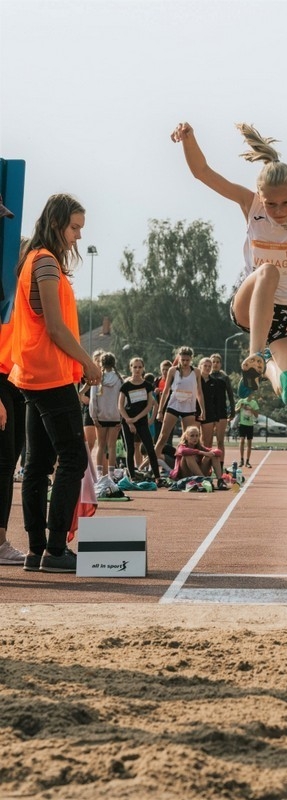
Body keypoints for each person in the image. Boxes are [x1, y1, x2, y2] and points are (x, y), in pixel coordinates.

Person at [171, 121, 287, 407]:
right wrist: (188, 139)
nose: (279, 211)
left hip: (286, 315)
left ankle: (264, 366)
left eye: (285, 203)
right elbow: (203, 173)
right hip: (250, 305)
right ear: (261, 197)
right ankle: (256, 352)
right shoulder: (250, 204)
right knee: (268, 271)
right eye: (271, 204)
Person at [9, 193, 101, 573]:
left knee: (38, 462)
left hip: (32, 373)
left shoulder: (35, 260)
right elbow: (56, 328)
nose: (78, 236)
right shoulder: (45, 262)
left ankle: (36, 551)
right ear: (56, 223)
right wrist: (88, 363)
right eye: (74, 227)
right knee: (73, 458)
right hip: (49, 373)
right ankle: (54, 550)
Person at [0, 315, 26, 565]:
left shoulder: (24, 284)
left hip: (19, 378)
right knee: (4, 462)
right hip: (1, 378)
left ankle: (1, 541)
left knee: (9, 464)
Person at [154, 346, 204, 461]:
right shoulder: (173, 370)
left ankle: (182, 466)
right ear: (179, 359)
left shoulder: (196, 372)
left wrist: (202, 410)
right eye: (183, 360)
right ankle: (152, 464)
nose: (185, 362)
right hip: (173, 406)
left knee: (188, 440)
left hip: (189, 408)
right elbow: (166, 392)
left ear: (191, 359)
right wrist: (160, 411)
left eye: (187, 360)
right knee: (163, 437)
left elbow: (199, 392)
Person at [118, 357, 162, 483]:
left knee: (150, 448)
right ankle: (132, 477)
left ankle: (158, 477)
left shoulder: (147, 386)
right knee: (130, 449)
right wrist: (129, 420)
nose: (137, 369)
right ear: (130, 368)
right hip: (127, 420)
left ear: (143, 369)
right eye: (135, 367)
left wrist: (139, 418)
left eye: (139, 367)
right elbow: (120, 406)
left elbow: (150, 404)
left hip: (141, 420)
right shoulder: (126, 385)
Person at [89, 352, 123, 478]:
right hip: (115, 415)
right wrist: (121, 417)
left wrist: (94, 416)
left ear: (101, 364)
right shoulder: (119, 380)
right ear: (114, 363)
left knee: (101, 445)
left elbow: (93, 400)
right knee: (112, 445)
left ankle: (98, 473)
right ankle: (111, 473)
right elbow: (122, 400)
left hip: (101, 416)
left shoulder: (97, 379)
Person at [170, 426, 228, 490]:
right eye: (192, 436)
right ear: (186, 437)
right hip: (186, 475)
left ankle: (220, 481)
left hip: (199, 473)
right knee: (188, 455)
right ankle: (203, 480)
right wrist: (201, 452)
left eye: (197, 436)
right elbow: (183, 451)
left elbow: (219, 452)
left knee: (212, 455)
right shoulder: (182, 446)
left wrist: (212, 453)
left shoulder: (199, 446)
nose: (195, 438)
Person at [209, 352, 235, 467]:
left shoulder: (225, 378)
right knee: (207, 442)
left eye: (217, 362)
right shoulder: (206, 376)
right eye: (213, 362)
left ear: (220, 364)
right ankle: (207, 465)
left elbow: (230, 395)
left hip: (221, 411)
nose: (215, 364)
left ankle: (220, 465)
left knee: (220, 441)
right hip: (209, 411)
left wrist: (232, 410)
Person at [78, 348, 104, 452]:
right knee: (89, 442)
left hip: (103, 411)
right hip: (88, 410)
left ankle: (103, 467)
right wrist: (85, 398)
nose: (98, 362)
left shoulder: (106, 376)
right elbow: (80, 393)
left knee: (103, 444)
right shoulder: (85, 375)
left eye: (100, 360)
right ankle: (85, 466)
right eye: (96, 360)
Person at [235, 396, 259, 468]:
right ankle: (241, 459)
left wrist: (251, 409)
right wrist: (240, 407)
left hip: (250, 425)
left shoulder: (254, 403)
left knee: (249, 442)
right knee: (242, 440)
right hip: (242, 424)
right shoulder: (242, 401)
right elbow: (235, 410)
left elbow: (257, 415)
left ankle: (247, 461)